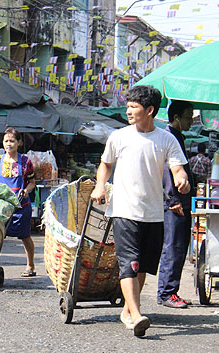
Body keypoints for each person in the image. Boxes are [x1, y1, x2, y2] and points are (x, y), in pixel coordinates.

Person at [90, 86, 190, 337]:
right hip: (124, 210)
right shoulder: (119, 136)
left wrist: (182, 179)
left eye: (134, 107)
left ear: (150, 110)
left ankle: (128, 309)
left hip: (154, 214)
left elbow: (178, 168)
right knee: (130, 264)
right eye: (128, 106)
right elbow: (105, 164)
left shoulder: (167, 140)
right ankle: (135, 315)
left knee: (143, 266)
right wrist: (101, 185)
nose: (129, 111)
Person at [158, 100, 195, 309]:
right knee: (173, 246)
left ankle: (171, 291)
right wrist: (172, 200)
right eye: (188, 117)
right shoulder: (169, 137)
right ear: (177, 118)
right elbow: (167, 171)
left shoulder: (177, 137)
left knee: (179, 247)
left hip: (182, 201)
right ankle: (167, 293)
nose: (191, 120)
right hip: (174, 203)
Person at [0, 127, 36, 277]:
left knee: (25, 236)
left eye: (12, 141)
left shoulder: (25, 161)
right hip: (1, 206)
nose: (9, 144)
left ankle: (31, 266)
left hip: (21, 206)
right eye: (6, 141)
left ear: (19, 142)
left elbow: (32, 182)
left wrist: (27, 190)